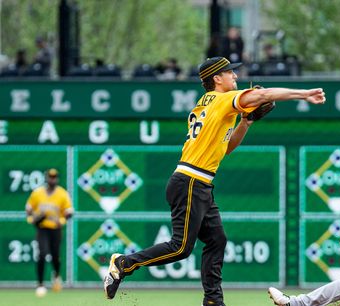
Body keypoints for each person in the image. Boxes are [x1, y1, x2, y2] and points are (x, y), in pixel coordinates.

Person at [103, 56, 326, 305]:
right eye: (231, 73)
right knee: (180, 247)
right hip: (190, 181)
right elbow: (265, 95)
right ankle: (123, 263)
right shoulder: (223, 100)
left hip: (197, 182)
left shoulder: (205, 104)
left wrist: (246, 122)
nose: (236, 76)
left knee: (216, 240)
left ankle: (213, 301)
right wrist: (303, 94)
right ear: (217, 79)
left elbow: (226, 148)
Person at [25, 168, 74, 297]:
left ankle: (56, 275)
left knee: (55, 256)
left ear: (57, 179)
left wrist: (64, 218)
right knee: (41, 254)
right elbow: (29, 208)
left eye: (55, 177)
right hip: (42, 228)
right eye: (50, 177)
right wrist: (35, 217)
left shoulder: (62, 194)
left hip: (55, 229)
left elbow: (69, 211)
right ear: (46, 178)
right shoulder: (38, 193)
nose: (52, 179)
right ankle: (40, 284)